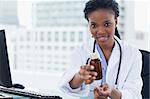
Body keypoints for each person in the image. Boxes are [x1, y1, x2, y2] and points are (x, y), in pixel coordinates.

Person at [59, 0, 143, 99]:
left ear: (116, 21)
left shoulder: (133, 54)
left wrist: (112, 92)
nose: (101, 31)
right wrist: (80, 76)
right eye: (94, 25)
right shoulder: (81, 51)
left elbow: (134, 94)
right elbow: (69, 85)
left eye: (107, 24)